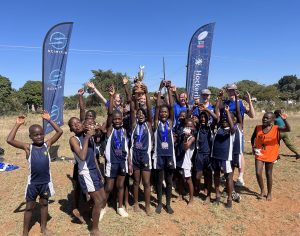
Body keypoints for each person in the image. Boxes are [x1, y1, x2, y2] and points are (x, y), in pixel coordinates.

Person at [6, 111, 63, 236]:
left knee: (44, 204)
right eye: (35, 135)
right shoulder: (28, 148)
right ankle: (25, 232)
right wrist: (17, 124)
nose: (39, 137)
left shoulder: (47, 145)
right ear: (30, 136)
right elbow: (9, 140)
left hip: (46, 182)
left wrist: (49, 120)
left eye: (41, 134)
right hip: (33, 184)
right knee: (29, 207)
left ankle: (43, 228)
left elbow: (60, 132)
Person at [69, 117, 106, 235]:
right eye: (74, 125)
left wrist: (100, 174)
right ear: (71, 129)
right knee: (98, 201)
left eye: (78, 122)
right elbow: (82, 156)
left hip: (94, 170)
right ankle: (94, 230)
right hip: (85, 172)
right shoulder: (73, 139)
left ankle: (79, 212)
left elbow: (94, 157)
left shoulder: (88, 136)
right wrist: (87, 137)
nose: (77, 125)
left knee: (103, 198)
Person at [217, 84, 255, 187]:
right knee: (228, 153)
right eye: (229, 90)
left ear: (236, 90)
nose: (230, 92)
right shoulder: (226, 102)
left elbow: (252, 115)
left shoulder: (240, 102)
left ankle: (240, 177)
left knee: (239, 153)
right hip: (227, 131)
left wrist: (250, 101)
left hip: (237, 130)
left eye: (232, 90)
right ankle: (227, 174)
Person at [104, 85, 133, 217]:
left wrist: (130, 162)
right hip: (111, 163)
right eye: (115, 119)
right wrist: (111, 96)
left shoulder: (125, 131)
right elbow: (110, 114)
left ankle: (120, 207)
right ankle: (103, 206)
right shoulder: (110, 130)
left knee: (121, 185)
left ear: (122, 119)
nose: (116, 120)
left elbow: (127, 148)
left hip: (122, 162)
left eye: (119, 119)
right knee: (109, 187)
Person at [251, 111, 291, 201]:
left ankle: (269, 193)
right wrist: (253, 147)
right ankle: (262, 191)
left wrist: (285, 120)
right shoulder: (258, 128)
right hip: (260, 153)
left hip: (271, 154)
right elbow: (253, 137)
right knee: (258, 173)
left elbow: (288, 129)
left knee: (268, 174)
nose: (264, 119)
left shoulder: (276, 128)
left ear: (272, 120)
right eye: (264, 117)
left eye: (267, 118)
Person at [153, 80, 176, 214]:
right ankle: (159, 203)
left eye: (165, 112)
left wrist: (168, 90)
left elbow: (172, 106)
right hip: (159, 156)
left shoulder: (170, 122)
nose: (163, 114)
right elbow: (156, 107)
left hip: (169, 155)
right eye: (161, 112)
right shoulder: (156, 124)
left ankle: (168, 204)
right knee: (159, 180)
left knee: (169, 180)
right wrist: (160, 88)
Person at [129, 83, 153, 215]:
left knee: (147, 182)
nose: (140, 115)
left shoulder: (149, 124)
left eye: (142, 114)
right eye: (138, 114)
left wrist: (146, 92)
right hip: (135, 156)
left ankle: (148, 206)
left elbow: (149, 109)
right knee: (136, 182)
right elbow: (133, 109)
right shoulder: (134, 124)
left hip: (145, 156)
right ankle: (136, 204)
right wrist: (136, 96)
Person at [211, 105, 236, 208]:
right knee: (216, 176)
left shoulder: (232, 130)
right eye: (224, 117)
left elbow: (231, 125)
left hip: (226, 158)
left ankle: (229, 198)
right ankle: (217, 195)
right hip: (215, 157)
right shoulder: (219, 127)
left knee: (228, 177)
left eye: (228, 117)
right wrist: (219, 99)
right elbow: (216, 112)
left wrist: (227, 112)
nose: (225, 119)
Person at [175, 118, 195, 205]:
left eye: (190, 126)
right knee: (180, 178)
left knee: (188, 180)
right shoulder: (182, 135)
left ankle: (191, 199)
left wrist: (186, 138)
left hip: (186, 162)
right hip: (179, 159)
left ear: (193, 128)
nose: (188, 128)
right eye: (187, 126)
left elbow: (186, 147)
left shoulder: (192, 137)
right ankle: (180, 195)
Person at [194, 111, 213, 204]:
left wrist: (207, 110)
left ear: (208, 118)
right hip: (199, 154)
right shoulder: (198, 127)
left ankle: (208, 196)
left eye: (204, 117)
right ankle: (196, 190)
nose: (202, 119)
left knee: (208, 176)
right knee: (198, 176)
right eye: (201, 117)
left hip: (208, 155)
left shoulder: (210, 127)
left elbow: (216, 118)